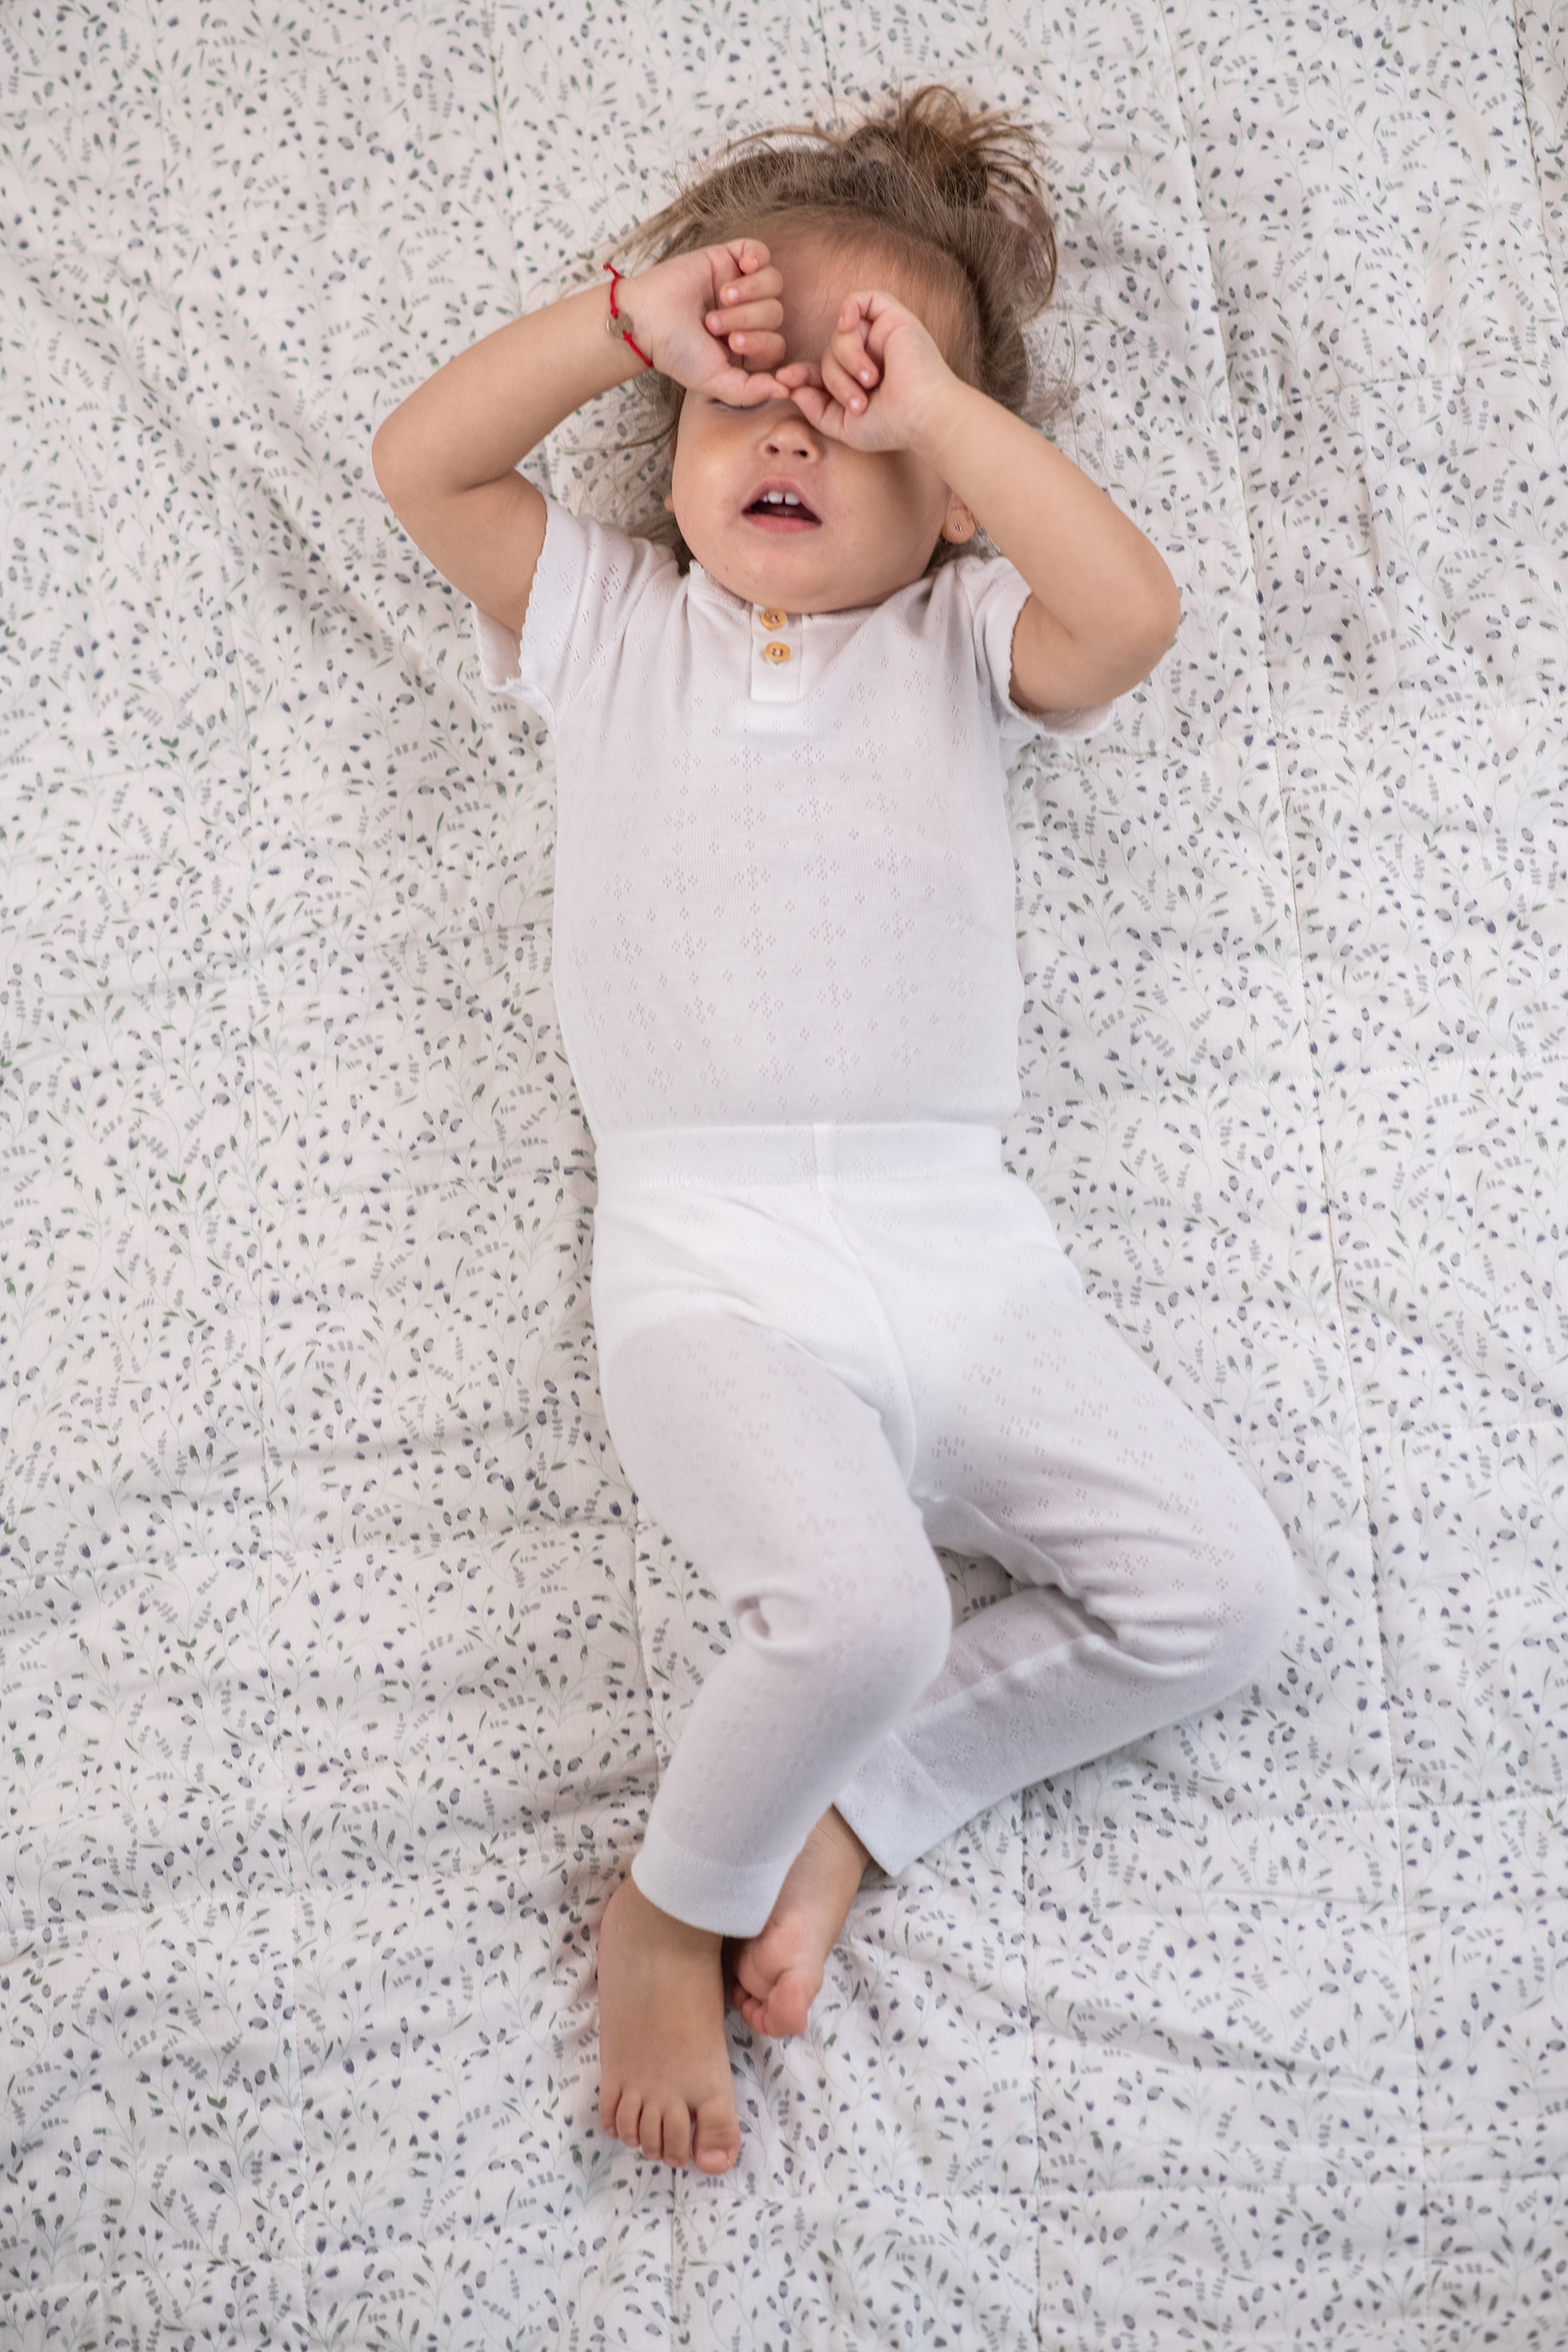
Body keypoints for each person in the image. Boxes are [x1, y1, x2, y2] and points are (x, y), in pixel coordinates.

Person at [370, 84, 1298, 2182]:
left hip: (957, 1252)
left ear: (953, 494)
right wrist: (629, 323)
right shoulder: (607, 628)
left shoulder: (961, 638)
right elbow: (419, 460)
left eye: (851, 417)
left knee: (1221, 1596)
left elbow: (1128, 616)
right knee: (858, 1606)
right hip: (707, 1270)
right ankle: (665, 1905)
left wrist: (952, 421)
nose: (785, 437)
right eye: (741, 398)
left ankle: (859, 1815)